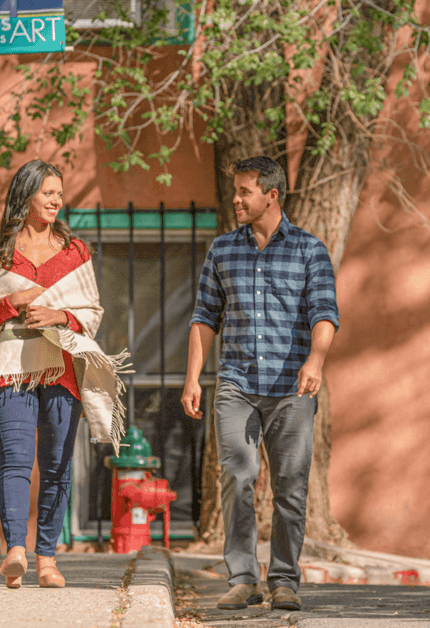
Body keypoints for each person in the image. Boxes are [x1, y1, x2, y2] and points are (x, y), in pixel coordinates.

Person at [0, 159, 128, 589]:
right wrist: (13, 301)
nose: (56, 200)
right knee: (16, 459)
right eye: (47, 193)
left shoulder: (75, 252)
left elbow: (92, 313)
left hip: (62, 370)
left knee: (57, 465)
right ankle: (16, 552)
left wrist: (59, 315)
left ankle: (47, 559)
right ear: (26, 196)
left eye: (59, 193)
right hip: (11, 370)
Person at [181, 155, 338, 612]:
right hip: (237, 383)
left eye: (244, 191)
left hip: (292, 388)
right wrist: (192, 378)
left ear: (271, 195)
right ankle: (244, 578)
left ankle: (284, 579)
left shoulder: (309, 250)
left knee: (291, 484)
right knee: (237, 474)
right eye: (235, 191)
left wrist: (315, 360)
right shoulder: (222, 250)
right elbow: (204, 317)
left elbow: (325, 312)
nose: (235, 199)